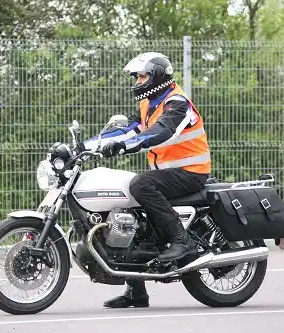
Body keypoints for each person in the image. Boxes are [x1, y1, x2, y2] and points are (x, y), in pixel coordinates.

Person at [85, 52, 212, 308]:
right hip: (169, 174)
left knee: (140, 184)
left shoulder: (178, 103)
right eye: (138, 76)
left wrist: (123, 146)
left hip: (191, 173)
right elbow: (128, 129)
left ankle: (181, 241)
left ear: (157, 76)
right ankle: (136, 292)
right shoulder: (148, 103)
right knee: (129, 205)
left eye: (143, 76)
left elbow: (160, 132)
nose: (138, 81)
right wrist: (81, 146)